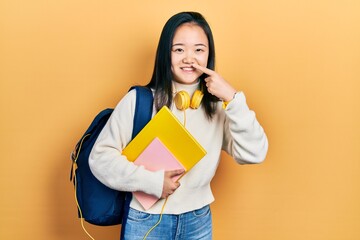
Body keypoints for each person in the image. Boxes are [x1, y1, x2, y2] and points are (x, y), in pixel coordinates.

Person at [89, 11, 268, 240]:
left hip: (198, 219)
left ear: (209, 54)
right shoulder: (140, 101)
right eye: (179, 49)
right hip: (145, 219)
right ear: (166, 53)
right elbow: (100, 158)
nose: (189, 58)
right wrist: (151, 182)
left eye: (199, 49)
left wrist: (233, 98)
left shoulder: (219, 107)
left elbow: (255, 153)